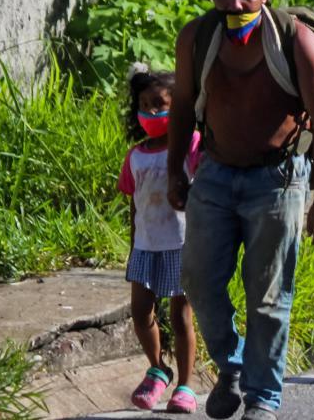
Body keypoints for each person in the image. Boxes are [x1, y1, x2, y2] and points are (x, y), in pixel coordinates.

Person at [166, 0, 314, 420]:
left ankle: (263, 399)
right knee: (197, 281)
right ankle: (234, 364)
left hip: (278, 180)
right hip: (215, 176)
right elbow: (182, 107)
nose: (234, 4)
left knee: (268, 296)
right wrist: (174, 171)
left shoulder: (295, 41)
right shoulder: (197, 38)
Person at [119, 66, 199, 414]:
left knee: (181, 317)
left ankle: (185, 385)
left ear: (179, 106)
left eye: (160, 104)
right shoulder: (135, 156)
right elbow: (133, 208)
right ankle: (158, 368)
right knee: (140, 313)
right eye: (146, 105)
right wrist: (133, 247)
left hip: (182, 245)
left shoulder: (191, 147)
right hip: (146, 247)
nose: (152, 112)